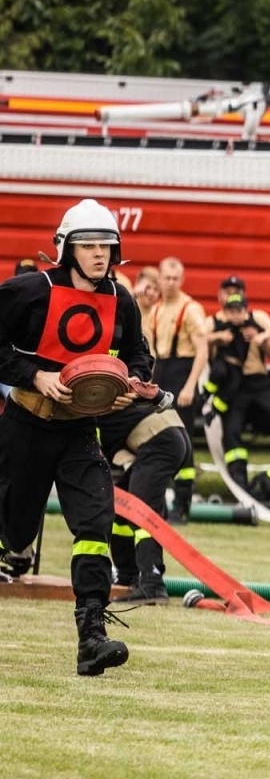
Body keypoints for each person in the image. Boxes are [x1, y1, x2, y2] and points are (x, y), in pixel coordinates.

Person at [0, 199, 155, 674]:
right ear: (67, 248)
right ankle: (16, 545)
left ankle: (92, 635)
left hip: (79, 432)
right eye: (88, 245)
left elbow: (138, 355)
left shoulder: (122, 299)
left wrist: (133, 382)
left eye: (106, 246)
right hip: (24, 426)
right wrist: (32, 375)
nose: (98, 254)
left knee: (94, 525)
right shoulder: (29, 290)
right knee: (13, 528)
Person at [202, 277, 270, 502]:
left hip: (259, 383)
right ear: (220, 297)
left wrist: (261, 339)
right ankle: (241, 489)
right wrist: (218, 339)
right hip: (232, 388)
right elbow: (199, 343)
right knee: (232, 433)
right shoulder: (212, 323)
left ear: (245, 302)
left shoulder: (259, 318)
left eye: (237, 292)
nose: (232, 297)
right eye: (227, 291)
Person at [100, 395, 190, 604]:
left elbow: (105, 459)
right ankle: (127, 575)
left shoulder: (90, 419)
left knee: (142, 515)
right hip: (172, 431)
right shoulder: (104, 399)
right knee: (121, 508)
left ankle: (152, 584)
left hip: (159, 442)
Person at [144, 255, 207, 520]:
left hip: (183, 374)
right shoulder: (156, 309)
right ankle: (163, 501)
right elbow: (153, 352)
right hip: (162, 373)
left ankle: (183, 504)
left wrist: (190, 386)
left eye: (175, 278)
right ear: (159, 278)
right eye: (166, 278)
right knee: (162, 436)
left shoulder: (190, 308)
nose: (170, 283)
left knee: (184, 442)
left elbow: (202, 350)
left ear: (181, 280)